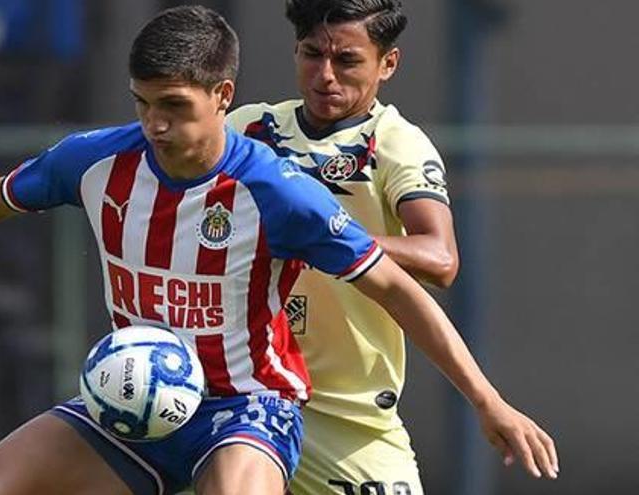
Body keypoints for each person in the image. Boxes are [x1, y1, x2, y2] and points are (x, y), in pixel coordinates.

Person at [0, 5, 555, 495]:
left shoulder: (276, 191)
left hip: (248, 405)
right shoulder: (96, 160)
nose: (157, 126)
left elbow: (400, 286)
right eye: (143, 105)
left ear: (222, 96)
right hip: (130, 400)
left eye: (174, 106)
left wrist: (488, 400)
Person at [225, 1, 558, 493]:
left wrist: (327, 238)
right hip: (241, 397)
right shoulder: (248, 130)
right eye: (312, 54)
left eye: (347, 61)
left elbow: (440, 259)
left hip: (347, 417)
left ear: (388, 64)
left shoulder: (394, 142)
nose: (325, 75)